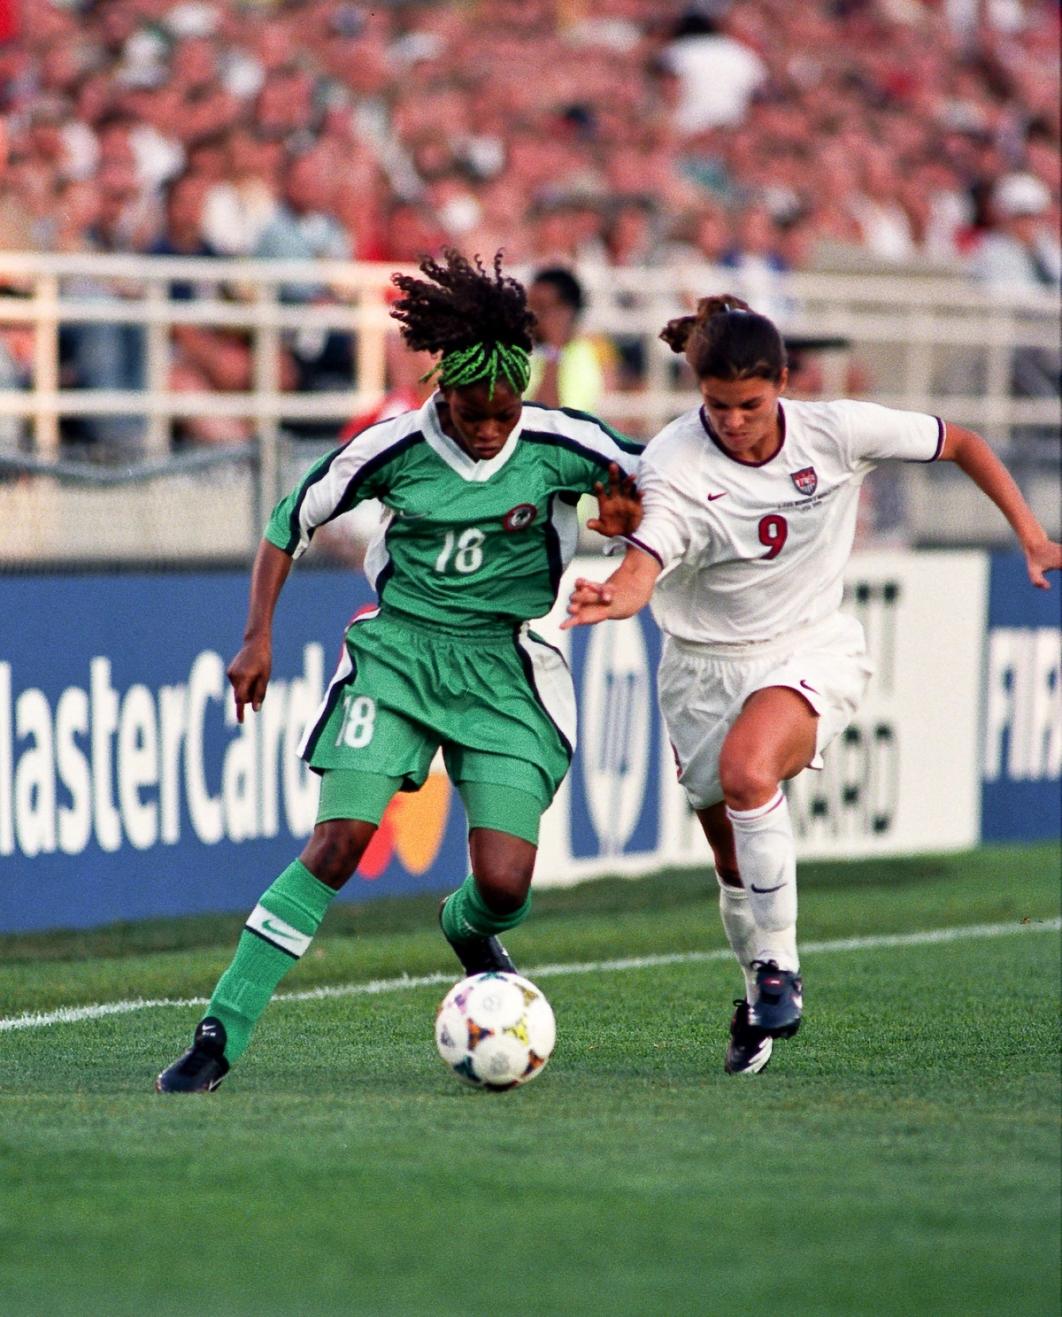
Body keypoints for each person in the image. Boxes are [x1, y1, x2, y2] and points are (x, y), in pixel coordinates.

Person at [156, 250, 641, 1092]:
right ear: (440, 389)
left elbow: (657, 483)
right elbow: (288, 520)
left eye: (503, 412)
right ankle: (218, 1032)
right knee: (337, 843)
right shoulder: (394, 447)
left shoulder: (565, 443)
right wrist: (257, 637)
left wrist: (635, 528)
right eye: (470, 410)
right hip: (400, 656)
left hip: (506, 666)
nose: (488, 428)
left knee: (502, 882)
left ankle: (463, 924)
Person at [562, 293, 1062, 1076]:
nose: (732, 420)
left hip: (807, 647)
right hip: (698, 669)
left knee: (748, 771)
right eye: (717, 405)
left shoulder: (836, 432)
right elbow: (641, 568)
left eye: (750, 405)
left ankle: (781, 967)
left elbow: (960, 441)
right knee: (731, 863)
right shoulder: (673, 462)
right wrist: (610, 596)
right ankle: (757, 998)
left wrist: (1030, 535)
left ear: (784, 383)